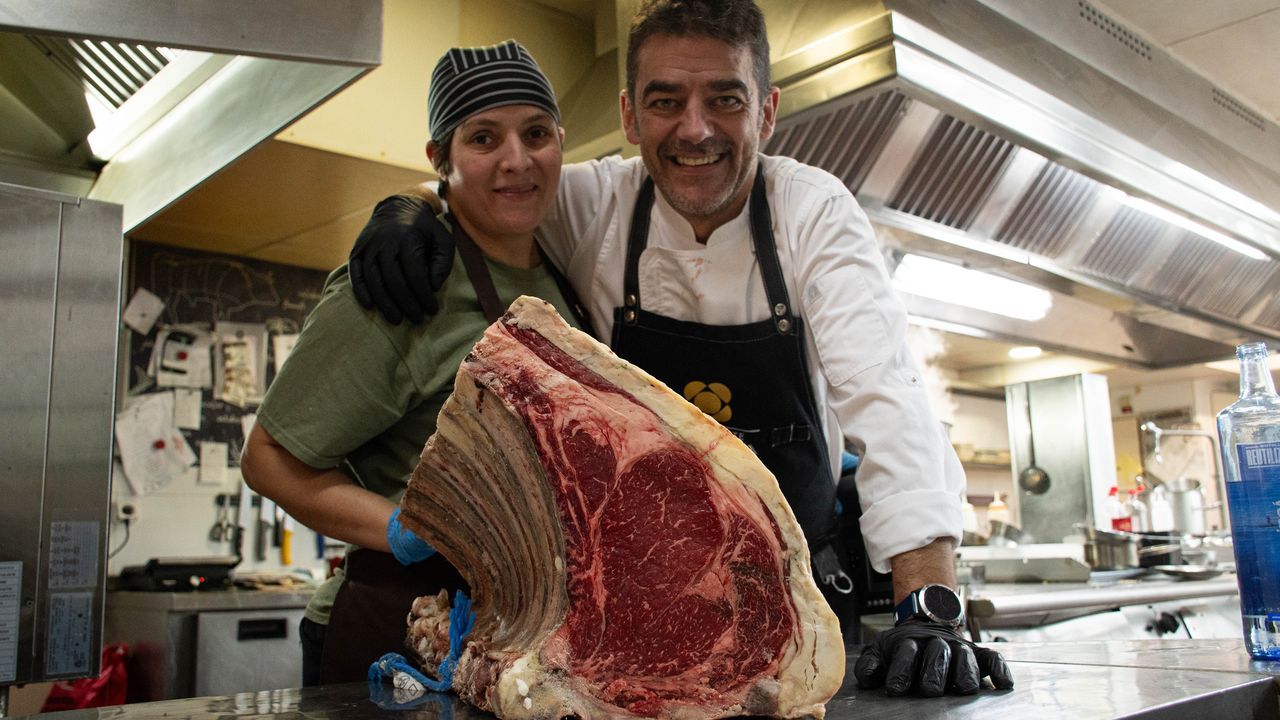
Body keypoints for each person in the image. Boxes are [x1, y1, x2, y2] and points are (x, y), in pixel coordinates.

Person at [346, 0, 1013, 698]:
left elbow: (887, 398)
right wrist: (410, 206)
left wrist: (929, 607)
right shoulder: (594, 204)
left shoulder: (811, 211)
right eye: (667, 101)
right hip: (629, 625)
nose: (695, 129)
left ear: (767, 112)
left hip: (796, 611)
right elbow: (490, 186)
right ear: (631, 116)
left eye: (725, 99)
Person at [239, 40, 588, 686]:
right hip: (400, 629)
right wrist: (403, 528)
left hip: (516, 636)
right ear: (441, 159)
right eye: (484, 138)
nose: (517, 160)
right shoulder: (400, 282)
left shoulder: (565, 269)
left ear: (560, 142)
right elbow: (267, 458)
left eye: (535, 133)